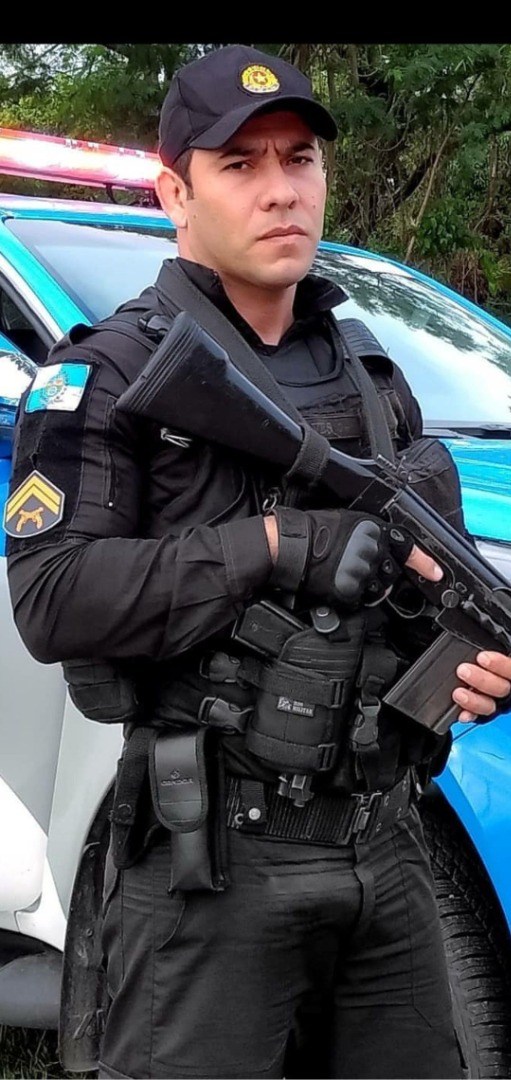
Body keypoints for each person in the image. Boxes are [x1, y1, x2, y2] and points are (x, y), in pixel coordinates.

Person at [5, 44, 511, 1080]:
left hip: (386, 847)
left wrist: (467, 666)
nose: (280, 189)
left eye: (298, 159)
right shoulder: (109, 376)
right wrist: (277, 545)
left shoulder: (373, 376)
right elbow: (53, 599)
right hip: (212, 868)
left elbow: (419, 594)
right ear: (175, 192)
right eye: (239, 164)